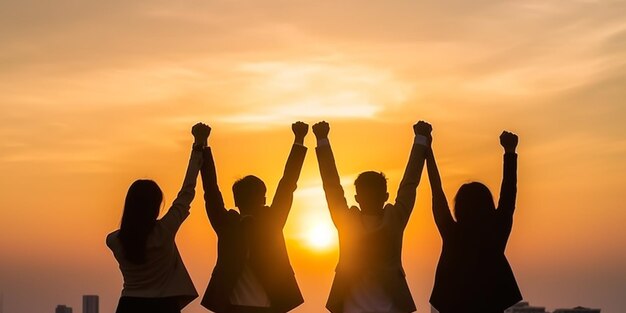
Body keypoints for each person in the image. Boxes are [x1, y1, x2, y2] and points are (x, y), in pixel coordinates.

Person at [313, 121, 431, 313]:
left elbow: (331, 185)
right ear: (385, 197)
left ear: (357, 198)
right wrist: (421, 139)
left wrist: (322, 139)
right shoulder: (395, 218)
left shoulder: (346, 221)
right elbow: (410, 183)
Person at [200, 122, 308, 313]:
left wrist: (203, 143)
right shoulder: (270, 222)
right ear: (264, 199)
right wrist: (299, 139)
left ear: (235, 200)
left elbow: (211, 189)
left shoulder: (229, 225)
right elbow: (287, 183)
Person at [106, 123, 209, 313]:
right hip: (164, 305)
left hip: (129, 305)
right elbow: (187, 192)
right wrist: (198, 145)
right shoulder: (164, 231)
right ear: (155, 206)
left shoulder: (113, 240)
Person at [426, 129, 522, 313]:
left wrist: (427, 150)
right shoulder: (497, 231)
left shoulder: (452, 233)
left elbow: (436, 192)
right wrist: (510, 151)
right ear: (489, 205)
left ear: (458, 208)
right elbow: (509, 192)